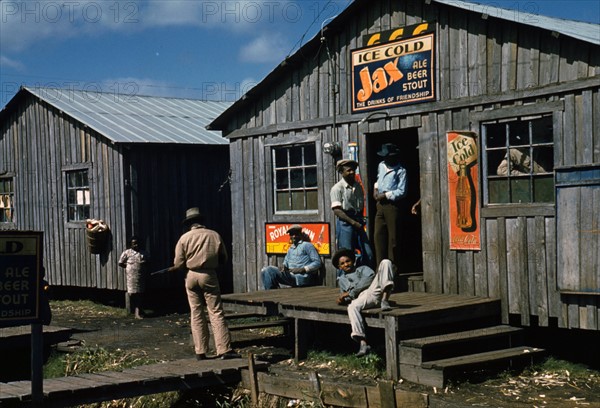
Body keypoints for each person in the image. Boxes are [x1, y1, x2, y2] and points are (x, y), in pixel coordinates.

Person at [168, 207, 240, 360]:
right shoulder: (214, 235)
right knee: (215, 311)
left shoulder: (184, 238)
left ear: (190, 224)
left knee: (196, 312)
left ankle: (200, 350)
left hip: (191, 275)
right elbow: (223, 258)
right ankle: (223, 349)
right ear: (201, 221)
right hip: (208, 274)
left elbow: (178, 263)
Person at [330, 159, 374, 268]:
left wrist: (359, 220)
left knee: (368, 253)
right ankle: (344, 280)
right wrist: (353, 223)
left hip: (357, 221)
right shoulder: (337, 188)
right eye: (349, 170)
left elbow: (360, 205)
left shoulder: (358, 186)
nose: (352, 172)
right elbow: (337, 211)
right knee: (345, 255)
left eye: (353, 170)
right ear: (341, 172)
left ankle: (365, 277)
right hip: (346, 222)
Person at [347, 259, 396, 357]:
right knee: (352, 307)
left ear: (353, 261)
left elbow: (369, 279)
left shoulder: (363, 269)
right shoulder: (342, 279)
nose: (346, 264)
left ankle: (385, 299)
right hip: (363, 297)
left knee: (386, 262)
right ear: (340, 267)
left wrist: (351, 291)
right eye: (342, 264)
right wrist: (346, 296)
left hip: (374, 289)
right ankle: (363, 344)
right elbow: (348, 296)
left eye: (348, 261)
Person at [373, 143, 407, 266]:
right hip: (380, 205)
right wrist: (375, 190)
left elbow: (402, 191)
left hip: (392, 206)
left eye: (387, 157)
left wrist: (386, 195)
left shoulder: (401, 171)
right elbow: (378, 179)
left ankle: (393, 267)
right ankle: (380, 267)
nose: (385, 159)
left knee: (393, 239)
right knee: (378, 236)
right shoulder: (381, 165)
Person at [261, 224, 322, 289]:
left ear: (300, 234)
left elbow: (317, 262)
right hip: (291, 276)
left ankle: (271, 293)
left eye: (296, 234)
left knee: (269, 270)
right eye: (292, 234)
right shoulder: (291, 249)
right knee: (265, 271)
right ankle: (272, 292)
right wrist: (283, 267)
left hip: (301, 277)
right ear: (290, 236)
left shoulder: (307, 245)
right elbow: (285, 263)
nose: (294, 236)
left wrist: (303, 269)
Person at [118, 236, 149, 319]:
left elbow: (148, 262)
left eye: (137, 243)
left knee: (140, 293)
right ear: (131, 245)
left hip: (140, 276)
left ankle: (138, 311)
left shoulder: (143, 253)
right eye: (134, 244)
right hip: (131, 277)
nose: (136, 245)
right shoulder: (127, 253)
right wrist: (128, 267)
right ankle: (136, 311)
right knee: (133, 294)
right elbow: (120, 263)